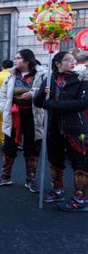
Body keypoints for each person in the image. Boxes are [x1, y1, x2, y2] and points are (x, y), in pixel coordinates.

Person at [34, 51, 88, 211]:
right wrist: (43, 94)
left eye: (73, 60)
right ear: (57, 63)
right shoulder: (49, 79)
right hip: (53, 127)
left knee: (80, 162)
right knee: (55, 160)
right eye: (68, 60)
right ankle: (57, 190)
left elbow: (83, 103)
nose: (72, 62)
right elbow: (39, 102)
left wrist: (51, 105)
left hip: (75, 128)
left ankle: (79, 198)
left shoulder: (81, 79)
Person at [0, 49, 45, 193]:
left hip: (33, 116)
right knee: (9, 145)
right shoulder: (11, 76)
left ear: (27, 60)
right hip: (13, 116)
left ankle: (30, 178)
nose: (15, 60)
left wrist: (33, 94)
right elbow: (2, 94)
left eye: (18, 58)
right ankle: (6, 176)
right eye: (14, 58)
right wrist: (4, 108)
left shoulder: (42, 75)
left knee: (32, 147)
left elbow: (46, 91)